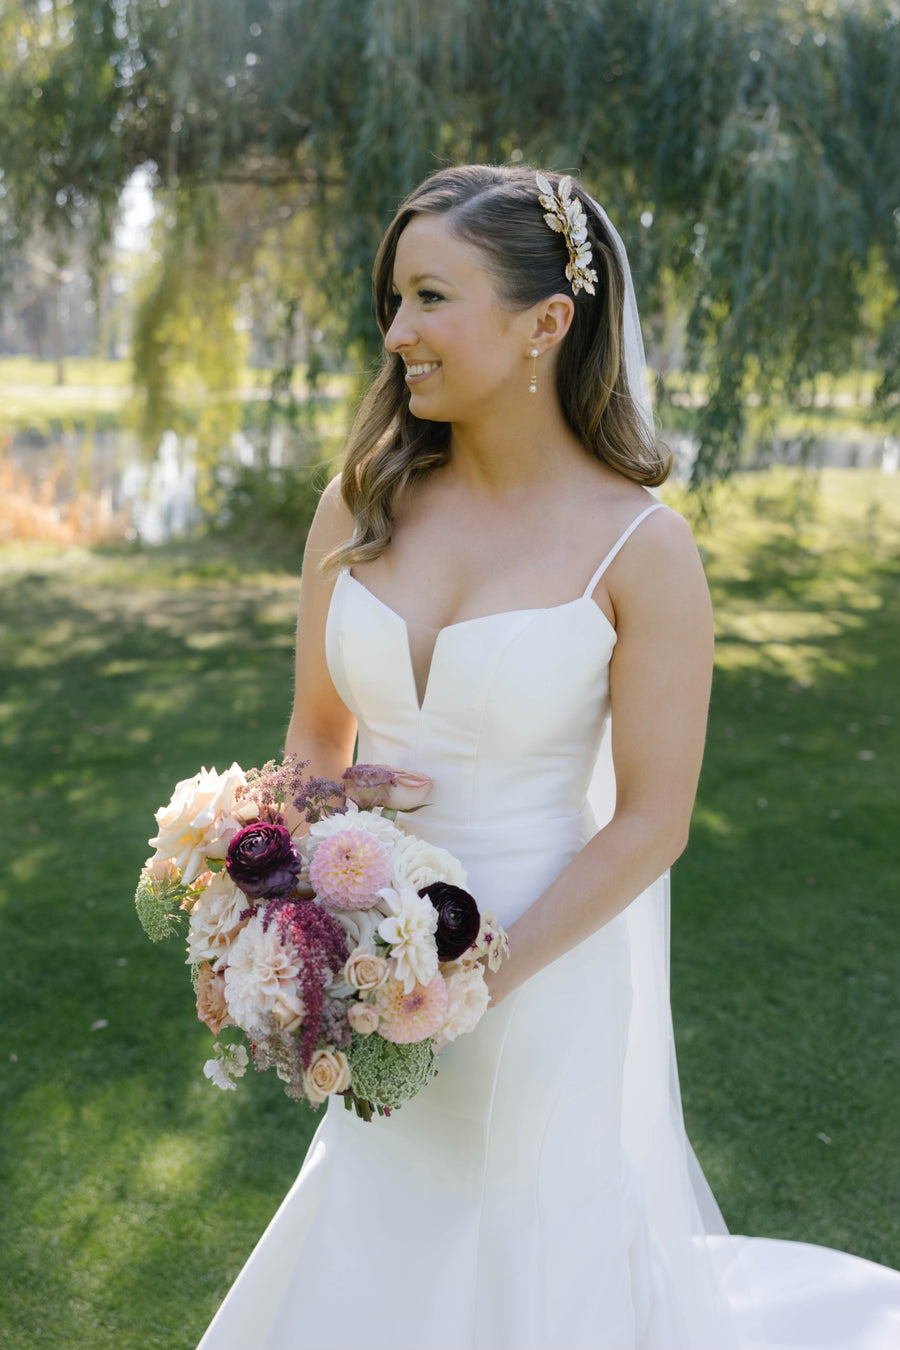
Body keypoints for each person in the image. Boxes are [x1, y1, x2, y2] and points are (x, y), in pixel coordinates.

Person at [197, 165, 900, 1350]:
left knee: (530, 1274)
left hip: (544, 968)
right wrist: (295, 915)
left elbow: (652, 821)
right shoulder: (358, 505)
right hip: (377, 958)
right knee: (378, 1243)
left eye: (431, 297)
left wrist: (475, 980)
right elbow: (317, 736)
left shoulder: (640, 549)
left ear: (547, 323)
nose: (397, 332)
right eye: (395, 299)